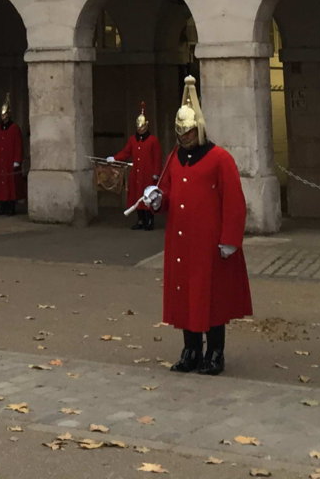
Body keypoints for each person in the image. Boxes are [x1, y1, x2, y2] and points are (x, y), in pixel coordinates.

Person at [141, 75, 252, 377]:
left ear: (198, 128)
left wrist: (230, 239)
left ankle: (215, 352)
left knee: (211, 298)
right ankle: (190, 349)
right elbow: (166, 193)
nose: (184, 138)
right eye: (180, 133)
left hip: (209, 242)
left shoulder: (220, 159)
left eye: (188, 132)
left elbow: (234, 202)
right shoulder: (174, 157)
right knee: (184, 295)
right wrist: (155, 199)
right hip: (181, 242)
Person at [108, 102, 162, 231]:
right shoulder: (133, 140)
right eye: (138, 127)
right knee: (136, 197)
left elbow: (157, 157)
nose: (140, 129)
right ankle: (140, 220)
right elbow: (126, 152)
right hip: (136, 174)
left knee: (148, 197)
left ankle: (149, 220)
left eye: (142, 127)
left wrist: (156, 172)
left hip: (147, 174)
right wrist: (115, 158)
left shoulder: (153, 140)